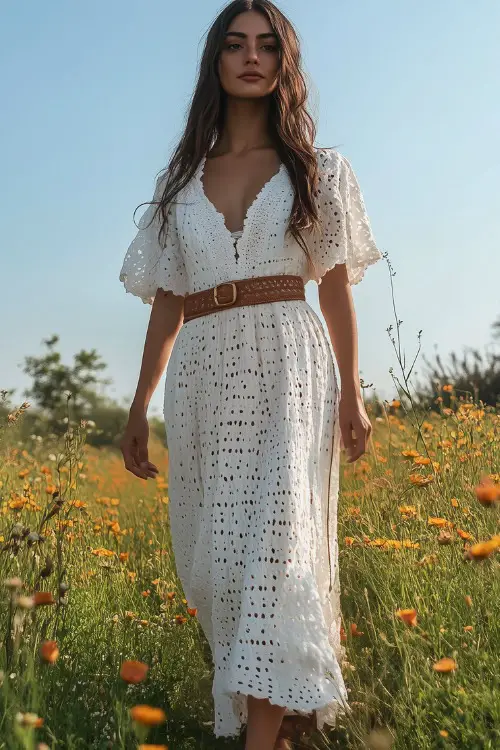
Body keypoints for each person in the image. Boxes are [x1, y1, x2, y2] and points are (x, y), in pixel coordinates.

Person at [118, 1, 383, 748]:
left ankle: (263, 740)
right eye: (235, 44)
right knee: (222, 569)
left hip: (291, 365)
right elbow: (167, 302)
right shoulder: (180, 185)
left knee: (280, 551)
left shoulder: (318, 171)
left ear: (284, 63)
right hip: (203, 373)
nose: (251, 57)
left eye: (268, 45)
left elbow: (333, 285)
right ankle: (285, 719)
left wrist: (352, 392)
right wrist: (139, 405)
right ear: (216, 61)